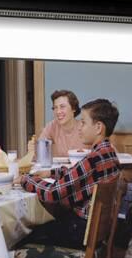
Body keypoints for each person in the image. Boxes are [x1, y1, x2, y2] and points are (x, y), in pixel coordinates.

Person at [15, 99, 120, 249]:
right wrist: (50, 172)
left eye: (83, 122)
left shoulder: (92, 159)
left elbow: (53, 193)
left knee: (20, 235)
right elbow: (78, 173)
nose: (79, 128)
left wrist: (26, 179)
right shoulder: (108, 153)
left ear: (98, 128)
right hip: (94, 232)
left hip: (80, 231)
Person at [28, 90, 89, 157]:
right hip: (60, 167)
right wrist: (33, 150)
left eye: (62, 107)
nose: (58, 112)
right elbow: (39, 156)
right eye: (55, 108)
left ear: (73, 108)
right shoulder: (52, 126)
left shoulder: (85, 127)